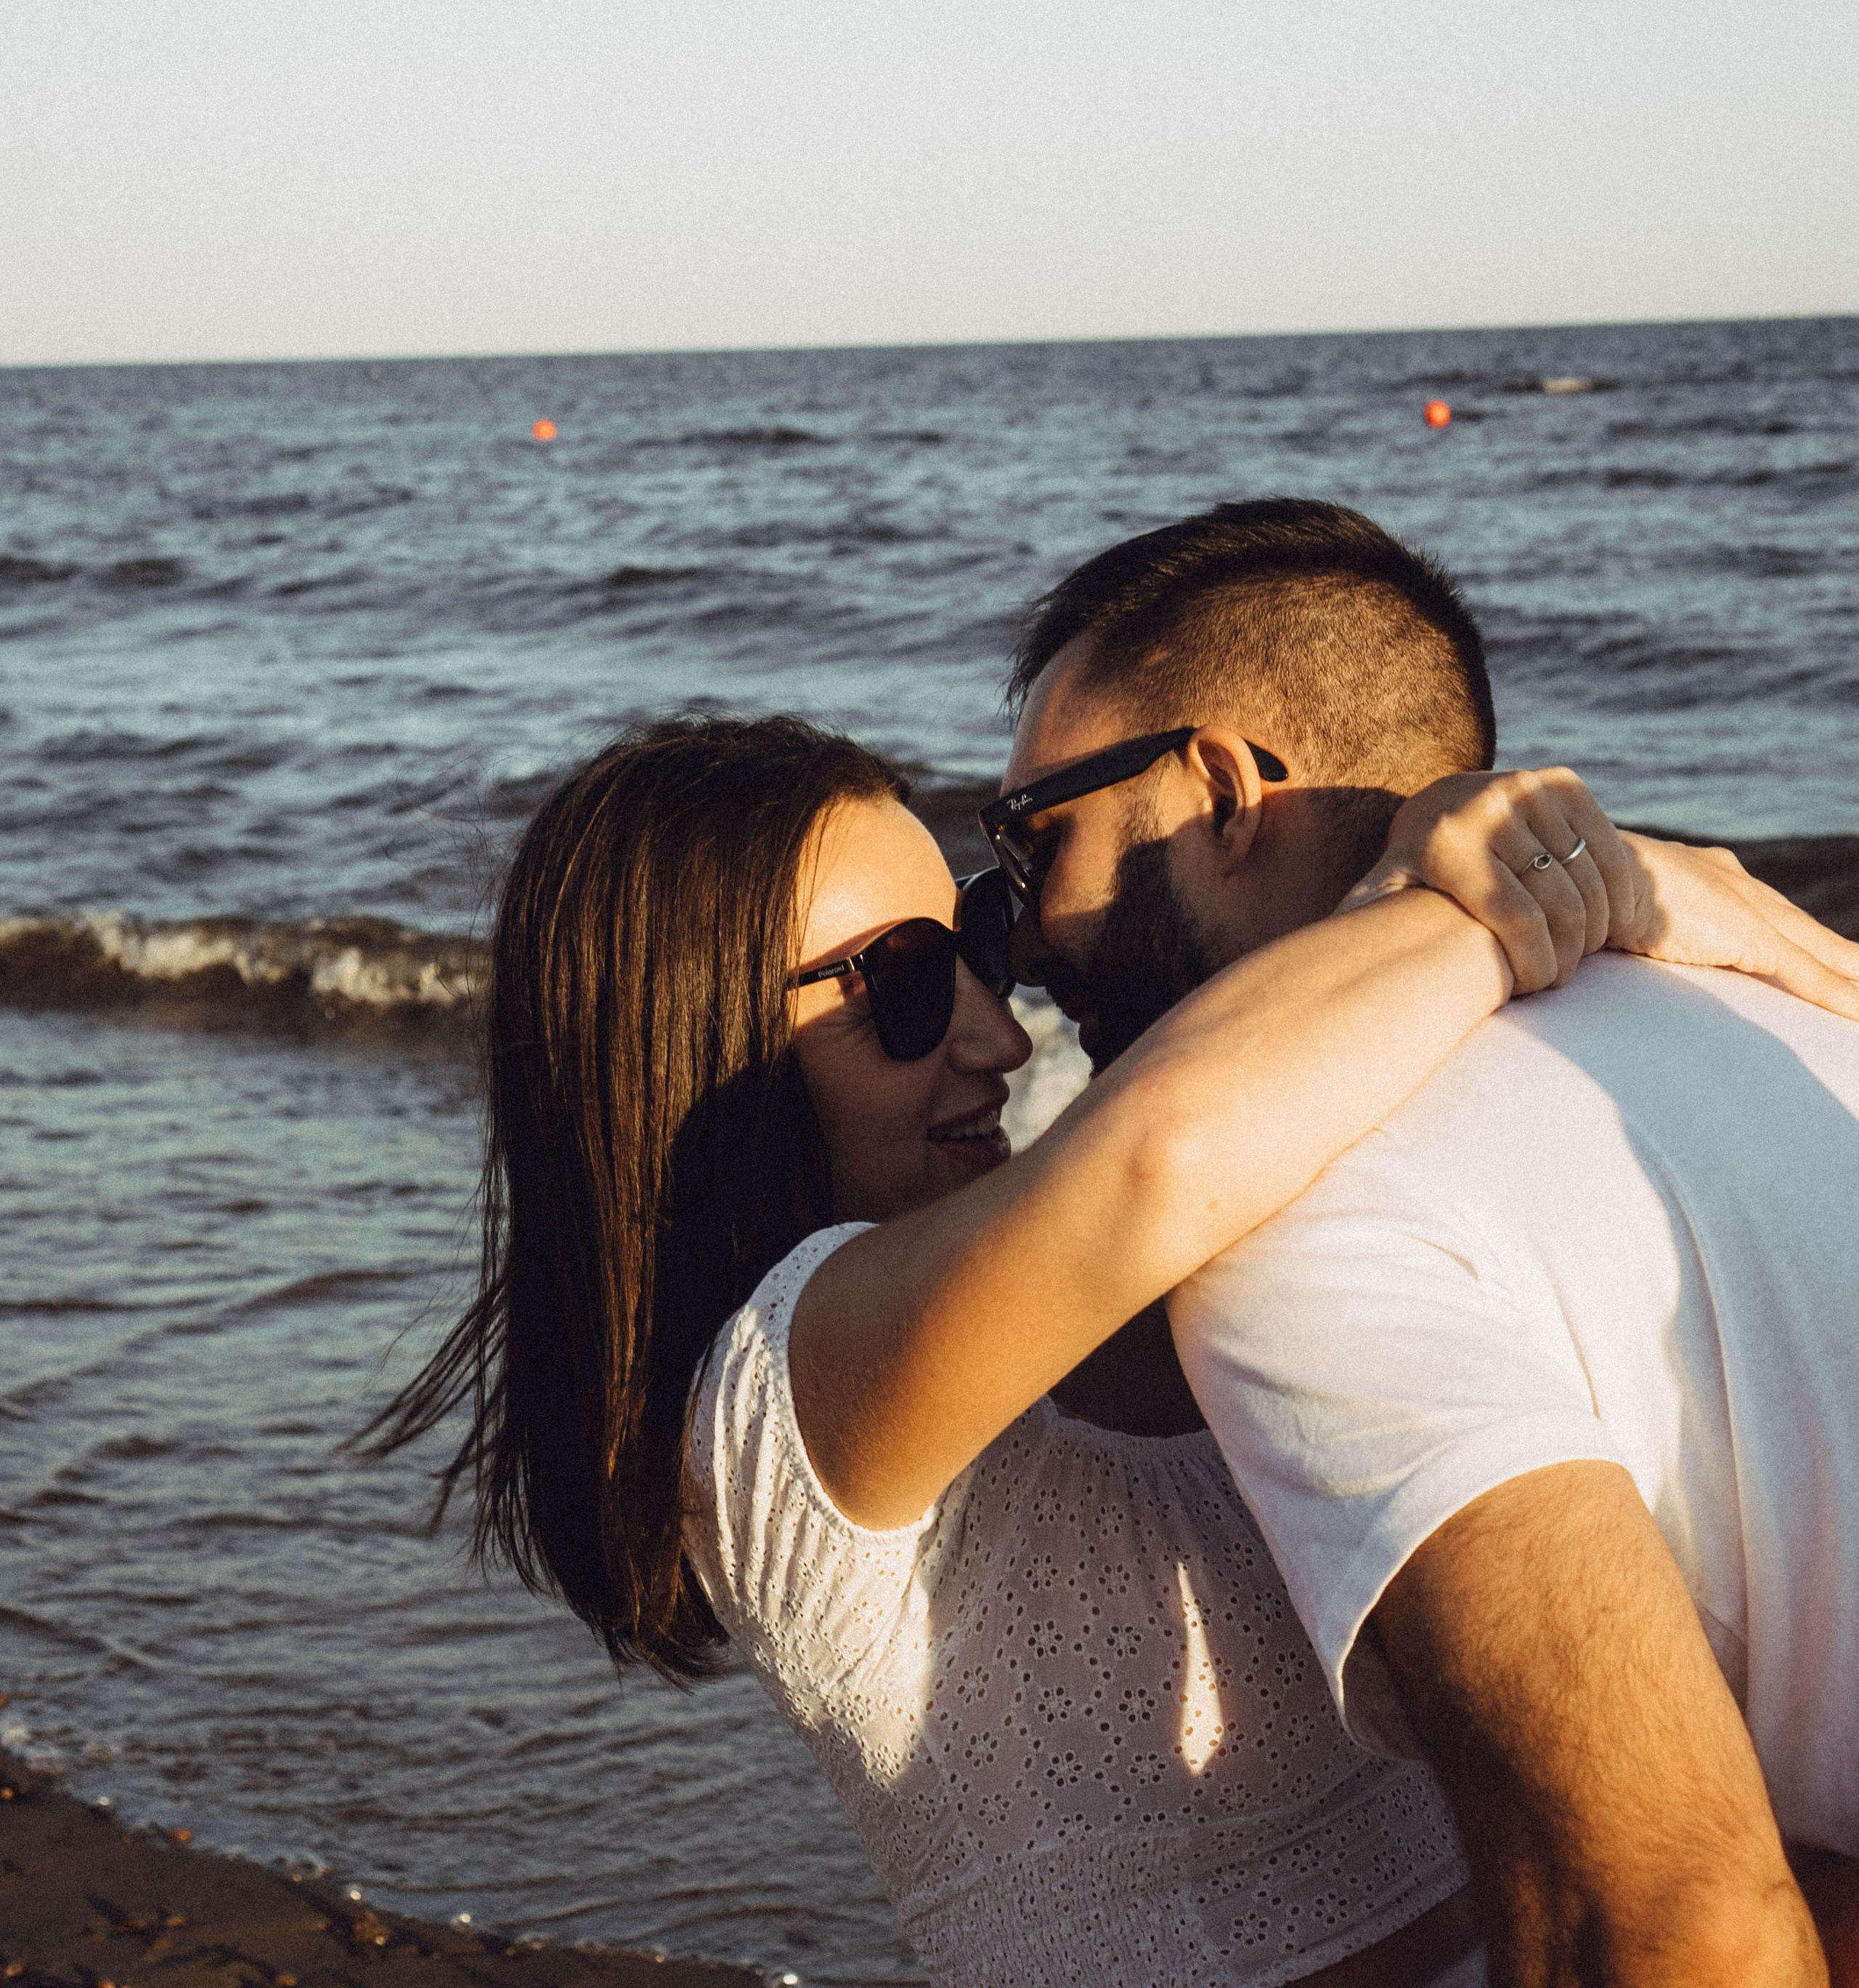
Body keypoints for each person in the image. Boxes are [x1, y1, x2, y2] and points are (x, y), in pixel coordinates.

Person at [377, 703, 1859, 1988]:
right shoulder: (771, 1406)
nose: (998, 1035)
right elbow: (1170, 1147)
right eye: (899, 987)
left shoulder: (1157, 1271)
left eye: (969, 942)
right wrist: (1518, 882)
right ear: (686, 1044)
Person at [992, 497, 1859, 1988]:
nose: (1013, 938)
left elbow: (1670, 1933)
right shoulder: (1764, 994)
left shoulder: (1308, 1215)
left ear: (1219, 790)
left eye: (1033, 840)